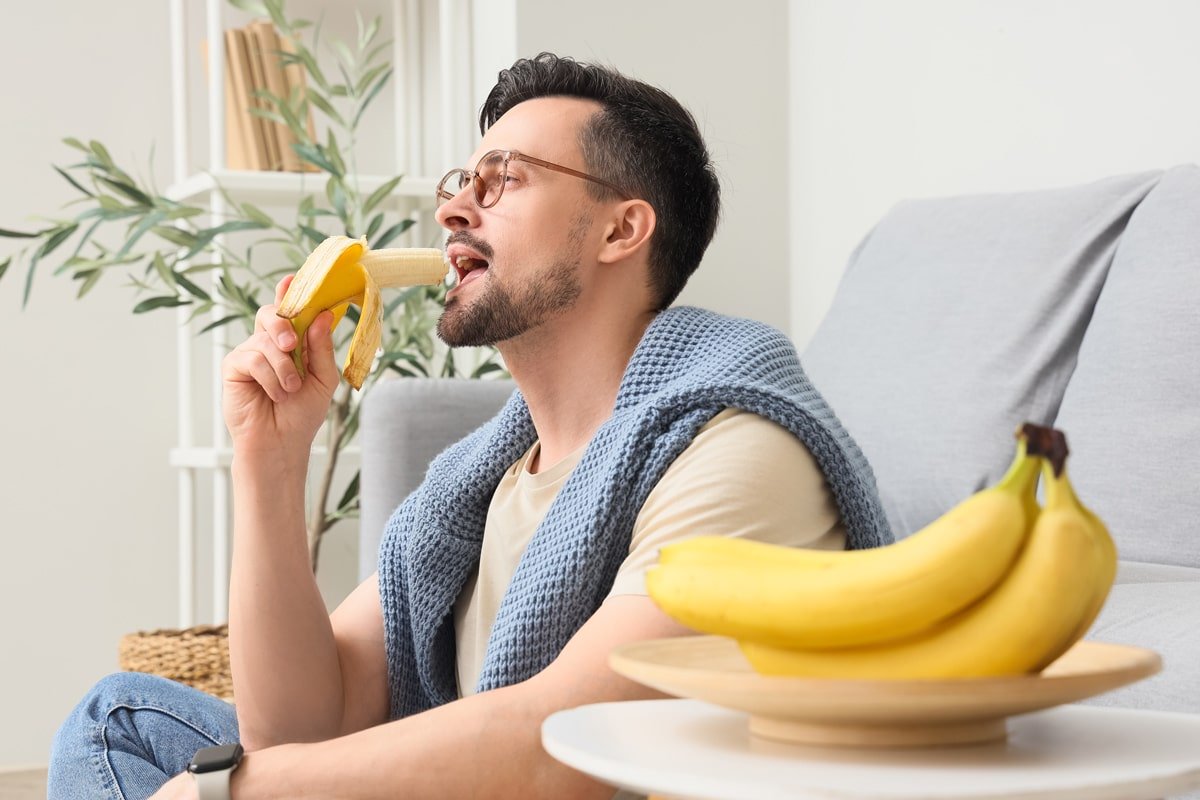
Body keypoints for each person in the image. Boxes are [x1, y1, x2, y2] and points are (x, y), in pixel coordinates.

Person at [48, 52, 890, 799]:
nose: (454, 211)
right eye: (463, 182)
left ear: (621, 228)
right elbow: (300, 728)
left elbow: (574, 749)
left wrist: (233, 791)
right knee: (117, 721)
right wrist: (269, 460)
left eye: (505, 178)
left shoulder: (737, 447)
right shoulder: (473, 485)